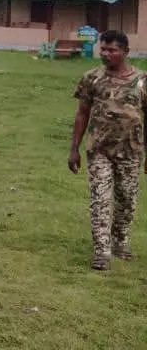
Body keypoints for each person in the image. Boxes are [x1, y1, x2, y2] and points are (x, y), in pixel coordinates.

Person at [67, 29, 147, 270]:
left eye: (112, 50)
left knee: (127, 200)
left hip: (131, 151)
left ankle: (120, 242)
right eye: (103, 49)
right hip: (99, 150)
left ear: (125, 52)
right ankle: (102, 251)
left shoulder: (142, 80)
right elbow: (82, 114)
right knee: (100, 199)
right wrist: (74, 149)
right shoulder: (92, 78)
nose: (105, 54)